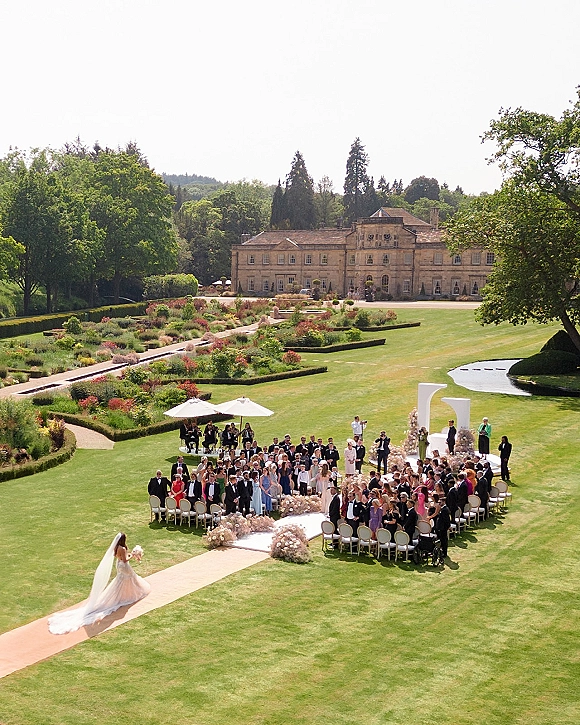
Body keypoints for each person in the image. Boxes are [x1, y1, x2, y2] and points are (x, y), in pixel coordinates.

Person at [48, 533, 150, 635]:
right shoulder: (122, 548)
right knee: (130, 579)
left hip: (119, 565)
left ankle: (124, 594)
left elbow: (119, 558)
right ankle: (130, 594)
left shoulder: (116, 547)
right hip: (124, 566)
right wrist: (132, 555)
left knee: (121, 581)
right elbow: (125, 559)